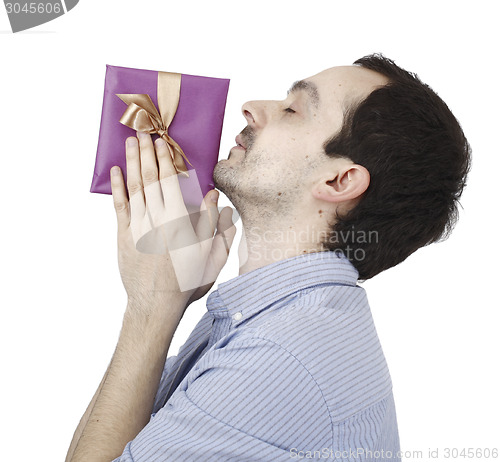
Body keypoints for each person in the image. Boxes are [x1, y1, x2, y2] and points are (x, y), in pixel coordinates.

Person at [66, 54, 471, 462]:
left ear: (338, 180)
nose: (252, 108)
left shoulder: (279, 356)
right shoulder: (271, 316)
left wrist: (150, 309)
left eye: (293, 109)